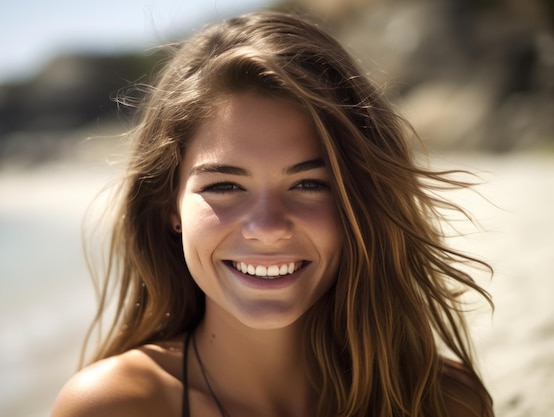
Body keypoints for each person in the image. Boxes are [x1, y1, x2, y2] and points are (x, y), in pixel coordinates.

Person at [51, 10, 494, 417]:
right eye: (224, 186)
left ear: (359, 199)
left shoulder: (444, 401)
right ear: (171, 205)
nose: (268, 228)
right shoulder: (114, 407)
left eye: (308, 184)